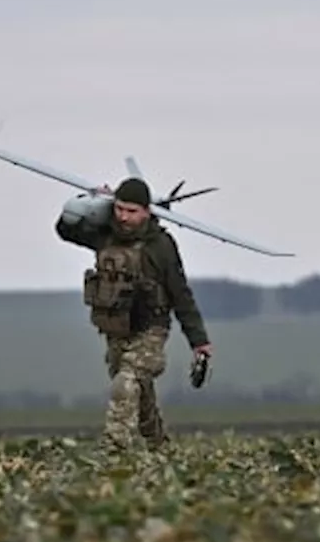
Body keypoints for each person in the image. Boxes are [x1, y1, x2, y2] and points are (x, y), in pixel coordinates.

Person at [55, 176, 213, 452]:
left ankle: (114, 449)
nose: (124, 217)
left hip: (151, 328)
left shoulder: (161, 245)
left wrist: (198, 341)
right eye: (119, 209)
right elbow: (66, 229)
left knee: (125, 384)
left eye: (132, 211)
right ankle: (160, 446)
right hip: (117, 327)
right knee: (140, 392)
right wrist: (91, 204)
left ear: (146, 212)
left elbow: (180, 293)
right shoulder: (105, 234)